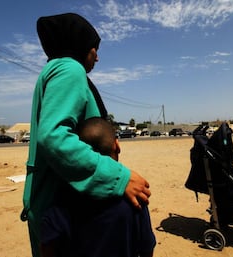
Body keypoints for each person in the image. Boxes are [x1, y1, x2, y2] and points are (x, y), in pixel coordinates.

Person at [21, 13, 151, 257]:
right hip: (63, 211)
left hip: (53, 207)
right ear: (80, 45)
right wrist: (118, 177)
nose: (98, 56)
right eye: (95, 48)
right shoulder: (69, 69)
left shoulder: (54, 69)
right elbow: (53, 137)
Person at [40, 117, 155, 257]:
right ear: (117, 146)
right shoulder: (134, 196)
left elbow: (47, 249)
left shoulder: (61, 200)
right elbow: (147, 249)